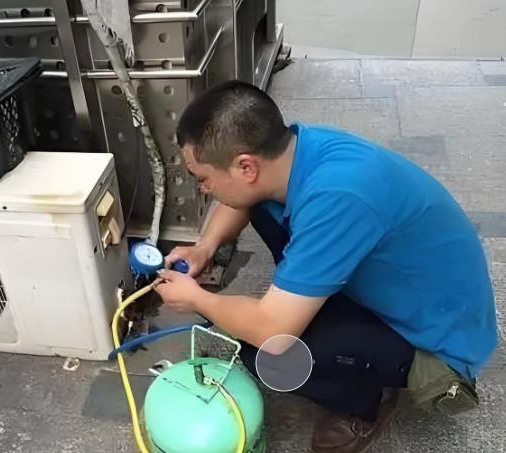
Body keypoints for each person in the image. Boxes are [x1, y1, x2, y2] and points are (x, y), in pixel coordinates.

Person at [153, 80, 497, 453]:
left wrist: (197, 299)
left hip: (435, 337)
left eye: (203, 179)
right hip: (409, 287)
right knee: (264, 208)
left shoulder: (337, 197)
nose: (203, 189)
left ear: (246, 165)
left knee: (268, 354)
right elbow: (240, 197)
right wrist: (205, 247)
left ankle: (363, 403)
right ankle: (308, 295)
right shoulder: (294, 151)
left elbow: (271, 330)